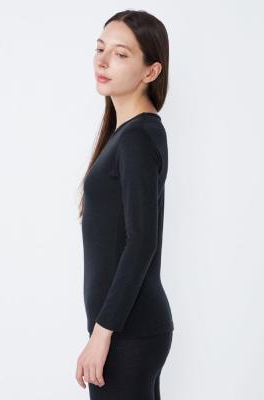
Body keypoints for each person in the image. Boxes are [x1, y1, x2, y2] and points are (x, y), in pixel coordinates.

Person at [76, 9, 175, 399]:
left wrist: (102, 334)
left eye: (120, 54)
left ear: (151, 71)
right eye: (100, 49)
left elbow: (141, 241)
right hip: (128, 330)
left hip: (126, 333)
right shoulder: (128, 134)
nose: (103, 61)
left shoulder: (137, 138)